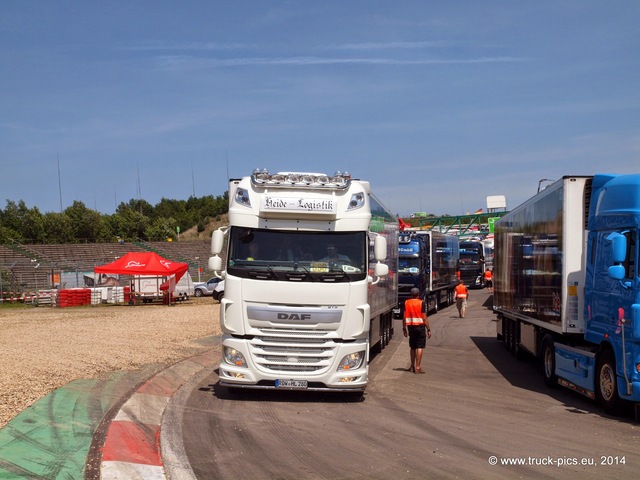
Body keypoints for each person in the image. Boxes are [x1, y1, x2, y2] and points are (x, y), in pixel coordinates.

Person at [402, 287, 432, 374]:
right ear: (418, 294)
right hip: (420, 327)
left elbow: (404, 317)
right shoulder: (421, 303)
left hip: (410, 327)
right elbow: (424, 317)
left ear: (411, 294)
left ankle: (412, 366)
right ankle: (418, 367)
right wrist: (428, 329)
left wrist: (404, 328)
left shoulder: (407, 302)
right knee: (420, 347)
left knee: (412, 347)